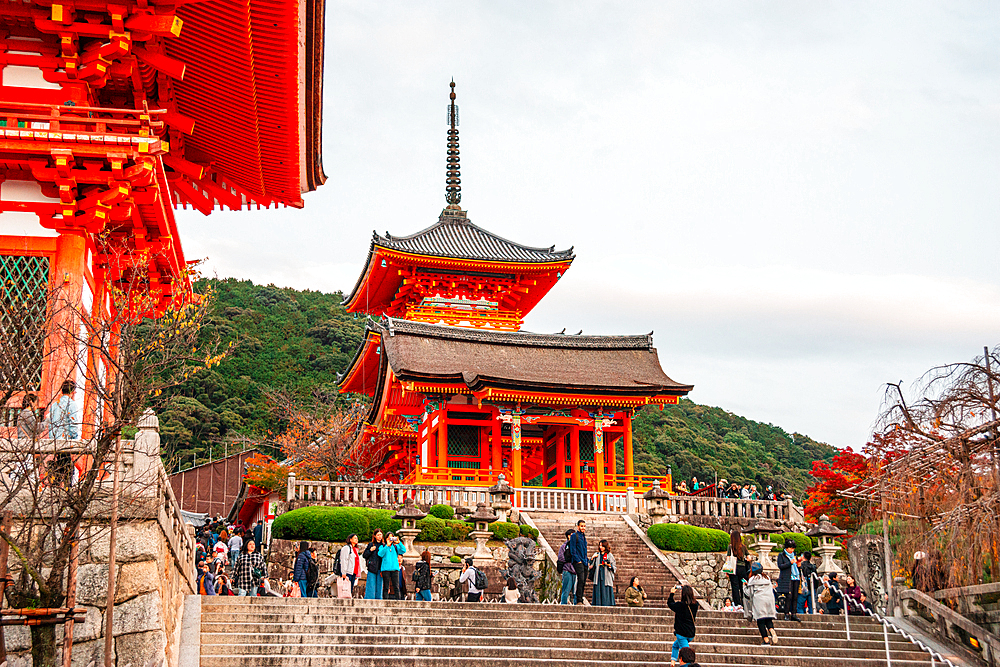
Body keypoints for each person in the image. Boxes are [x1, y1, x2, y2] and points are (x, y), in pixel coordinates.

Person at [743, 561, 777, 646]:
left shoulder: (752, 579)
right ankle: (771, 629)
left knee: (760, 620)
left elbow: (748, 593)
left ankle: (766, 640)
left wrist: (744, 586)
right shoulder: (767, 578)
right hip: (769, 599)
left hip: (759, 601)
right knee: (768, 618)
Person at [667, 584, 698, 667]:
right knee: (675, 645)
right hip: (691, 633)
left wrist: (672, 593)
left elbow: (670, 603)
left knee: (686, 656)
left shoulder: (680, 605)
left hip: (682, 634)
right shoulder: (695, 605)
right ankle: (672, 662)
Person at [776, 538, 800, 621]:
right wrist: (790, 563)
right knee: (788, 596)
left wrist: (798, 564)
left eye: (793, 548)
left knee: (795, 596)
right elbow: (781, 566)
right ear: (787, 548)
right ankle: (786, 613)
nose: (792, 550)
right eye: (791, 548)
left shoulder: (795, 555)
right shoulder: (781, 555)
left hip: (796, 577)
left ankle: (794, 613)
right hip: (787, 578)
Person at [725, 528, 750, 608]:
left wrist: (726, 570)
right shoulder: (743, 547)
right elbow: (749, 558)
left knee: (735, 587)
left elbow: (728, 559)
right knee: (742, 585)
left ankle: (737, 604)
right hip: (742, 569)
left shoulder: (730, 547)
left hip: (733, 569)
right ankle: (744, 603)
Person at [378, 532, 406, 600]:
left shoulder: (396, 546)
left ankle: (398, 600)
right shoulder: (383, 546)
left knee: (396, 586)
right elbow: (380, 554)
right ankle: (385, 600)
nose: (390, 539)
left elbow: (403, 550)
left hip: (395, 568)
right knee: (386, 586)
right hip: (386, 569)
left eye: (391, 537)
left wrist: (399, 542)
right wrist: (387, 545)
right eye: (389, 538)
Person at [590, 539, 616, 607]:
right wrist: (592, 558)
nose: (601, 547)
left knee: (606, 591)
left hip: (606, 575)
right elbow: (590, 565)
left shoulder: (609, 555)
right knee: (598, 590)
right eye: (600, 545)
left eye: (602, 546)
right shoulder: (597, 554)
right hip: (598, 575)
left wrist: (608, 565)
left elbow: (614, 566)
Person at [569, 519, 588, 605]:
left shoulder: (584, 537)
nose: (583, 528)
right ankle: (578, 599)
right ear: (578, 527)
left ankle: (581, 598)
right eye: (581, 526)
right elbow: (572, 549)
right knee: (580, 579)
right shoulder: (574, 536)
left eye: (584, 526)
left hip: (584, 561)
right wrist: (578, 560)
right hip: (578, 561)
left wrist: (586, 560)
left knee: (583, 581)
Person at [363, 529, 385, 599]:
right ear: (375, 536)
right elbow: (364, 555)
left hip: (381, 568)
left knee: (379, 586)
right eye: (378, 535)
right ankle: (369, 599)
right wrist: (370, 550)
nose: (379, 536)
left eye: (380, 535)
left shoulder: (384, 545)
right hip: (372, 567)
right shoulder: (371, 544)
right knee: (371, 585)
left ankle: (379, 599)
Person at [557, 529, 576, 605]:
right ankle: (563, 604)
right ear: (569, 536)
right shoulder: (564, 546)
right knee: (566, 590)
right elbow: (561, 558)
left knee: (576, 591)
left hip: (576, 570)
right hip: (567, 570)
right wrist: (569, 558)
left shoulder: (577, 546)